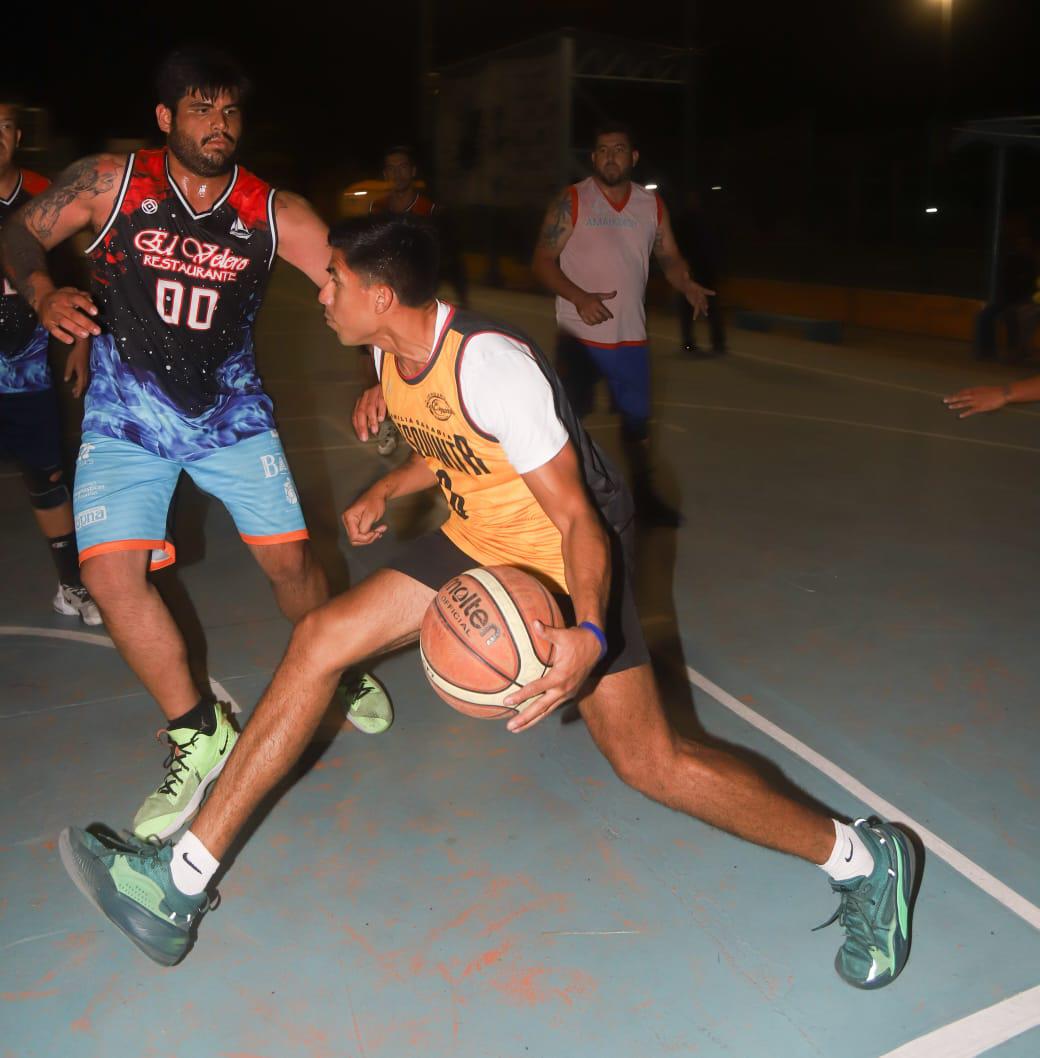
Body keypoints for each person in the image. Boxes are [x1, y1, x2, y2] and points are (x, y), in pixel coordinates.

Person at [60, 214, 918, 992]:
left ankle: (859, 857)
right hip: (481, 536)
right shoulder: (386, 351)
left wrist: (586, 629)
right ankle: (177, 886)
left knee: (651, 763)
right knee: (320, 639)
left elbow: (578, 513)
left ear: (381, 294)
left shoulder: (495, 366)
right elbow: (450, 446)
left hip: (563, 556)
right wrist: (391, 488)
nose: (322, 294)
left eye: (335, 284)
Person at [0, 49, 391, 845]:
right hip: (127, 418)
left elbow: (354, 283)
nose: (218, 125)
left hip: (231, 415)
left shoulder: (271, 210)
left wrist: (378, 370)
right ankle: (195, 730)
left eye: (230, 113)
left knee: (291, 566)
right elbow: (18, 232)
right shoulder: (112, 183)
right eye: (201, 110)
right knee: (109, 578)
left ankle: (340, 667)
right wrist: (41, 291)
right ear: (166, 118)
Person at [531, 122, 714, 528]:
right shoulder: (572, 200)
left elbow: (669, 256)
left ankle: (645, 499)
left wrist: (686, 284)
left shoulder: (652, 206)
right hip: (579, 335)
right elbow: (542, 261)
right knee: (567, 422)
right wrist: (579, 297)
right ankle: (561, 504)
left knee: (636, 422)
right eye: (602, 150)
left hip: (630, 335)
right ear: (594, 158)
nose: (610, 156)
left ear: (633, 158)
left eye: (619, 149)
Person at [0, 100, 100, 625]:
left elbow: (78, 270)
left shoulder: (44, 195)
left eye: (5, 126)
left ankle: (72, 584)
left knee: (46, 473)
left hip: (28, 366)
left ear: (17, 137)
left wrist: (82, 339)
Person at [673, 189, 727, 358]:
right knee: (698, 308)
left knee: (700, 308)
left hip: (700, 270)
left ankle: (704, 342)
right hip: (698, 270)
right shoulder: (701, 219)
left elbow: (680, 245)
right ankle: (713, 343)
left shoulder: (690, 220)